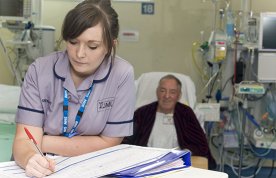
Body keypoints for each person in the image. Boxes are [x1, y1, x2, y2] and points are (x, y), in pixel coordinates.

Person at [12, 0, 135, 177]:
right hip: (41, 166)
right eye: (73, 42)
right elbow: (24, 140)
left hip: (93, 167)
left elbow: (110, 142)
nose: (80, 54)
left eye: (92, 46)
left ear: (111, 45)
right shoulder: (40, 71)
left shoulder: (122, 74)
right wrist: (31, 158)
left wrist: (43, 141)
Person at [123, 74, 216, 170]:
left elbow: (200, 145)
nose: (167, 96)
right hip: (146, 165)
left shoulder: (186, 113)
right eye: (163, 91)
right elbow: (127, 142)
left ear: (179, 95)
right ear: (157, 92)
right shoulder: (142, 113)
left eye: (172, 92)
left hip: (179, 165)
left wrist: (184, 154)